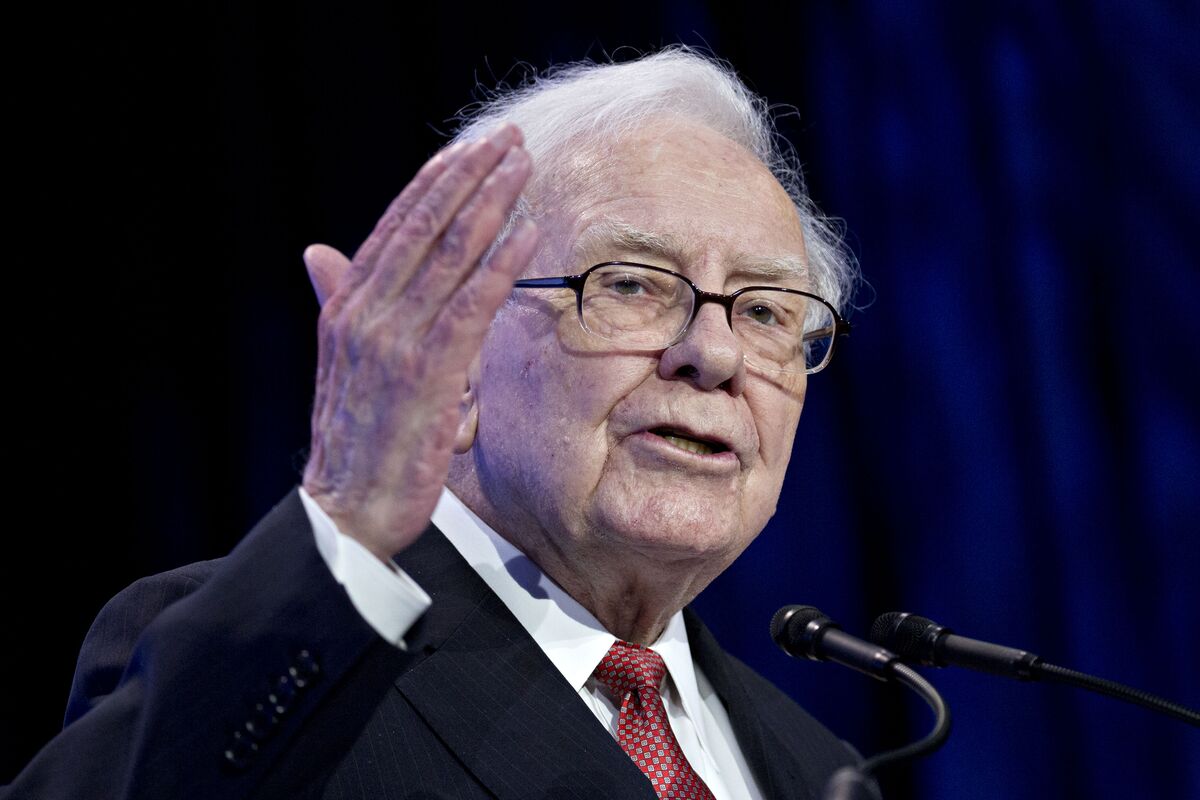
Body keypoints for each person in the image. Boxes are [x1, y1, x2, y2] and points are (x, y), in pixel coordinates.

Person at [4, 48, 860, 800]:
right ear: (457, 341)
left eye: (766, 311)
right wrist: (348, 526)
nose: (713, 352)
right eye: (632, 284)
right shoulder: (274, 660)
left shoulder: (824, 766)